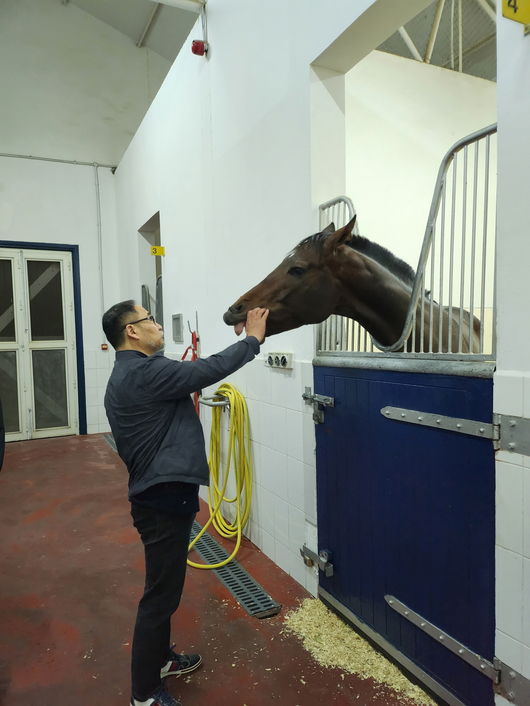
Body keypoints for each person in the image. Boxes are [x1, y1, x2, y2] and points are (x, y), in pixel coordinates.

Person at [102, 300, 268, 706]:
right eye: (150, 320)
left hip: (160, 497)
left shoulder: (132, 372)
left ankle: (161, 661)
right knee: (159, 597)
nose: (158, 325)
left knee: (165, 591)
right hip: (161, 501)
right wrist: (252, 340)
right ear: (132, 332)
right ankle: (144, 694)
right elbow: (205, 370)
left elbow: (191, 374)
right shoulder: (144, 372)